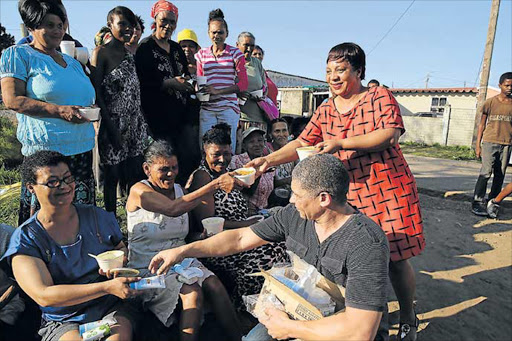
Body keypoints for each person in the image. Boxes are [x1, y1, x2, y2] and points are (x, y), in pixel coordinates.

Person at [246, 43, 425, 341]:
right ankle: (354, 317)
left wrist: (341, 143)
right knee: (352, 258)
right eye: (328, 71)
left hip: (386, 190)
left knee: (394, 257)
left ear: (358, 71)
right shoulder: (327, 108)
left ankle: (407, 314)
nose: (333, 76)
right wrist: (267, 160)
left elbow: (389, 134)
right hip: (346, 191)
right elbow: (302, 142)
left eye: (340, 70)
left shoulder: (378, 96)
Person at [149, 154, 390, 341]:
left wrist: (288, 328)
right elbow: (239, 239)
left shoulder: (366, 243)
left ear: (324, 199)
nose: (291, 200)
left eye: (297, 194)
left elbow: (360, 331)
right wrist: (183, 251)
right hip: (297, 310)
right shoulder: (294, 216)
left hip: (339, 328)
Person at [1, 150, 140, 341]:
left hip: (109, 306)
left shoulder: (96, 216)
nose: (64, 186)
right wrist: (106, 287)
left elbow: (120, 247)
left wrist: (119, 262)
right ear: (31, 187)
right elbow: (44, 295)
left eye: (68, 178)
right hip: (63, 318)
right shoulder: (26, 239)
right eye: (53, 182)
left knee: (117, 337)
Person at [126, 140, 241, 341]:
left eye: (174, 168)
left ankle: (240, 338)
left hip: (180, 259)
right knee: (192, 292)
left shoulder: (180, 191)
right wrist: (215, 184)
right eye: (163, 169)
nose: (170, 174)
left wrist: (202, 238)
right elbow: (173, 209)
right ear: (147, 169)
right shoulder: (139, 192)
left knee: (214, 284)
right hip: (150, 266)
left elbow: (185, 236)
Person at [0, 0, 96, 225]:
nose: (57, 30)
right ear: (32, 27)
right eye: (49, 25)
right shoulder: (19, 55)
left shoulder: (71, 62)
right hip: (46, 154)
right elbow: (12, 99)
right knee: (48, 220)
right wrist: (59, 111)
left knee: (78, 216)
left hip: (81, 151)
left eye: (60, 25)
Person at [186, 124, 287, 316]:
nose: (222, 159)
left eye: (227, 153)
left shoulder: (227, 174)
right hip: (217, 243)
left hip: (240, 233)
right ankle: (244, 308)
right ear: (204, 152)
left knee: (279, 244)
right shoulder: (203, 177)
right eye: (216, 154)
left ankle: (272, 304)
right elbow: (209, 223)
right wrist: (248, 225)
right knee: (262, 254)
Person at [90, 6, 148, 214]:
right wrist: (111, 128)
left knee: (135, 172)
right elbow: (97, 94)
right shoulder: (100, 53)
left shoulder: (128, 54)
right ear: (110, 25)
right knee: (111, 175)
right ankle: (110, 220)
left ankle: (135, 216)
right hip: (113, 122)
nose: (128, 29)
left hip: (135, 122)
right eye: (122, 24)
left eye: (131, 25)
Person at [135, 0, 194, 143]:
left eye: (172, 22)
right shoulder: (146, 47)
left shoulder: (176, 48)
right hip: (157, 117)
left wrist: (187, 82)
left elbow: (185, 73)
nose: (168, 26)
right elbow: (141, 82)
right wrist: (169, 83)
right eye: (164, 20)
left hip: (181, 117)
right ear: (155, 20)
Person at [195, 8, 248, 152]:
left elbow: (243, 84)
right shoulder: (201, 55)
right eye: (213, 32)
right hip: (207, 108)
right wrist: (199, 90)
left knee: (227, 147)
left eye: (220, 32)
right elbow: (200, 80)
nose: (216, 35)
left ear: (227, 34)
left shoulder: (235, 53)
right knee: (205, 147)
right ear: (208, 33)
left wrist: (217, 91)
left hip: (228, 107)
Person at [471, 72, 512, 216]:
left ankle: (493, 201)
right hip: (490, 142)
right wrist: (478, 145)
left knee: (500, 175)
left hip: (507, 144)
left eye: (511, 86)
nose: (509, 88)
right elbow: (481, 124)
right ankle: (477, 201)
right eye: (507, 85)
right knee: (486, 172)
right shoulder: (490, 102)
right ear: (500, 85)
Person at [176, 28, 202, 185]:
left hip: (198, 118)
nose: (187, 50)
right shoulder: (174, 66)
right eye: (183, 46)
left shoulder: (202, 67)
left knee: (195, 156)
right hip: (178, 120)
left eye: (191, 46)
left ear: (197, 49)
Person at [231, 127, 275, 215]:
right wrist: (258, 171)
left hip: (264, 211)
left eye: (260, 140)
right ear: (244, 145)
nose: (257, 144)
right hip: (244, 212)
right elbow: (244, 190)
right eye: (251, 142)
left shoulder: (268, 161)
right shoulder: (237, 161)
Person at [17, 0, 83, 49]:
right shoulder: (22, 49)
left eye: (63, 19)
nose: (58, 29)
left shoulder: (75, 45)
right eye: (50, 25)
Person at [236, 32, 268, 135]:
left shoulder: (256, 63)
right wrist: (238, 93)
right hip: (240, 119)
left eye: (252, 46)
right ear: (237, 45)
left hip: (258, 119)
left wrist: (261, 95)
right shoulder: (232, 62)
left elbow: (264, 87)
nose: (249, 49)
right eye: (246, 45)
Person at [265, 118, 294, 205]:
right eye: (277, 131)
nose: (281, 134)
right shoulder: (266, 151)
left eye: (284, 130)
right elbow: (267, 183)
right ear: (270, 134)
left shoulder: (291, 149)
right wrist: (288, 180)